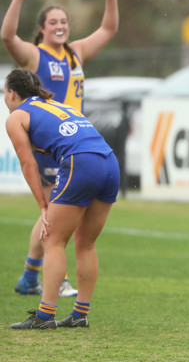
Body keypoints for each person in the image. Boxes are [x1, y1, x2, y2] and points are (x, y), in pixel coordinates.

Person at [1, 0, 119, 297]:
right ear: (42, 28)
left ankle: (30, 275)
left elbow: (108, 30)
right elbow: (7, 36)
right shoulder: (35, 56)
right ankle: (51, 277)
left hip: (72, 141)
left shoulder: (75, 52)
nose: (60, 26)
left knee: (55, 211)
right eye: (53, 22)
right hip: (51, 145)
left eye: (64, 21)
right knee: (57, 212)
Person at [4, 69, 119, 329]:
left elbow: (28, 164)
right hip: (110, 162)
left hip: (82, 162)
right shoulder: (57, 104)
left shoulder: (16, 117)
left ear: (11, 93)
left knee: (53, 240)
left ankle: (45, 317)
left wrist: (43, 207)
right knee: (86, 244)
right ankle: (80, 315)